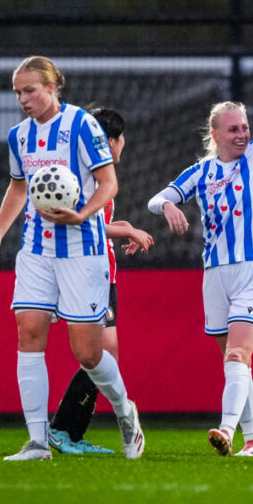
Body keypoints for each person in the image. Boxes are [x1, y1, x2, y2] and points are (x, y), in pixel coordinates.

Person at [0, 56, 144, 461]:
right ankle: (36, 442)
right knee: (28, 333)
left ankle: (125, 413)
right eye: (18, 92)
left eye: (30, 89)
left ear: (52, 87)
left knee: (87, 353)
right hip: (35, 249)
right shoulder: (19, 136)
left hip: (83, 251)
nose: (23, 99)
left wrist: (82, 215)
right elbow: (18, 188)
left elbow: (109, 183)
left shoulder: (82, 126)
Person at [148, 36, 253, 457]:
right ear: (216, 134)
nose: (243, 133)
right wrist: (170, 207)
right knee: (236, 363)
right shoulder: (202, 171)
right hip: (215, 274)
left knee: (237, 354)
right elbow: (157, 198)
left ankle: (226, 431)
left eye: (245, 126)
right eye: (234, 129)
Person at [48, 107, 154, 455]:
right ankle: (64, 430)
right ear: (111, 141)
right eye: (120, 140)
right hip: (88, 273)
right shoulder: (87, 175)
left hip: (102, 272)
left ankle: (66, 432)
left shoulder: (92, 173)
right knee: (99, 355)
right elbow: (74, 220)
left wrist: (118, 228)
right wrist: (124, 229)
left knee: (103, 356)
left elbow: (92, 220)